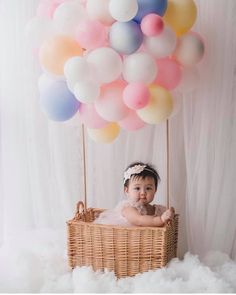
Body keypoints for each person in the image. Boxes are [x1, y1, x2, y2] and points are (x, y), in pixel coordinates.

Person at [94, 161, 175, 227]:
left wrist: (168, 215)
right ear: (127, 190)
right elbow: (139, 220)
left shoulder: (156, 210)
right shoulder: (128, 208)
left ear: (155, 190)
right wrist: (160, 220)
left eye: (148, 188)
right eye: (137, 188)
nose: (143, 193)